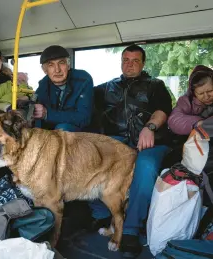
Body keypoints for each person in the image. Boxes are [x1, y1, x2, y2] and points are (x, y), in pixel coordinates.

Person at [90, 44, 172, 258]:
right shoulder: (105, 88)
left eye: (135, 60)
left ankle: (130, 229)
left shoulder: (156, 85)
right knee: (88, 160)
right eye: (126, 60)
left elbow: (163, 109)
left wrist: (150, 127)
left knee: (145, 166)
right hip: (116, 141)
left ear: (143, 63)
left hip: (150, 140)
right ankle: (102, 214)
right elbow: (81, 99)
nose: (130, 64)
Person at [34, 45, 93, 132]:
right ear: (45, 70)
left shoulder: (83, 80)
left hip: (81, 133)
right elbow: (37, 111)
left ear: (68, 65)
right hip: (55, 132)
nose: (57, 70)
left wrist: (47, 114)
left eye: (61, 63)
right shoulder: (43, 84)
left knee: (62, 128)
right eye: (51, 65)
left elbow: (84, 118)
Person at [168, 65, 213, 135]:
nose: (206, 96)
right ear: (194, 93)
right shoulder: (187, 100)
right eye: (201, 93)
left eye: (210, 91)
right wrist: (197, 123)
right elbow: (174, 120)